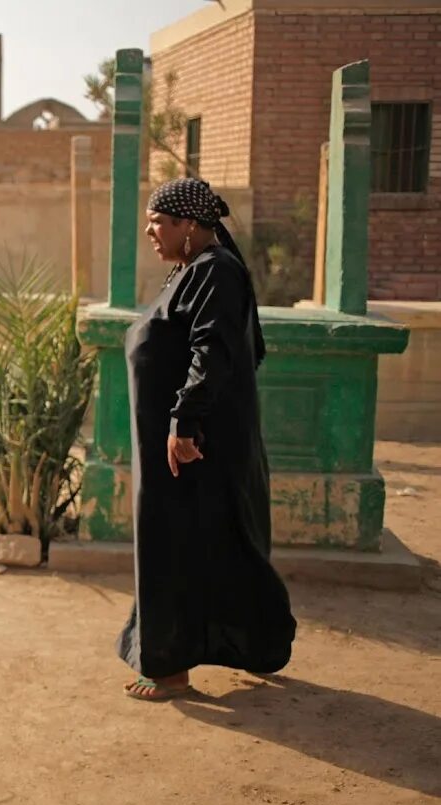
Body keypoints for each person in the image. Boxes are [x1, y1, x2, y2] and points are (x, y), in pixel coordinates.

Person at [120, 178, 296, 701]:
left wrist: (183, 423)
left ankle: (171, 668)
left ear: (189, 225)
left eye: (158, 221)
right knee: (213, 547)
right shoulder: (192, 271)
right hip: (180, 446)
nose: (150, 231)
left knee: (176, 550)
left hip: (190, 449)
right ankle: (256, 645)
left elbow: (211, 351)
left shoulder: (215, 272)